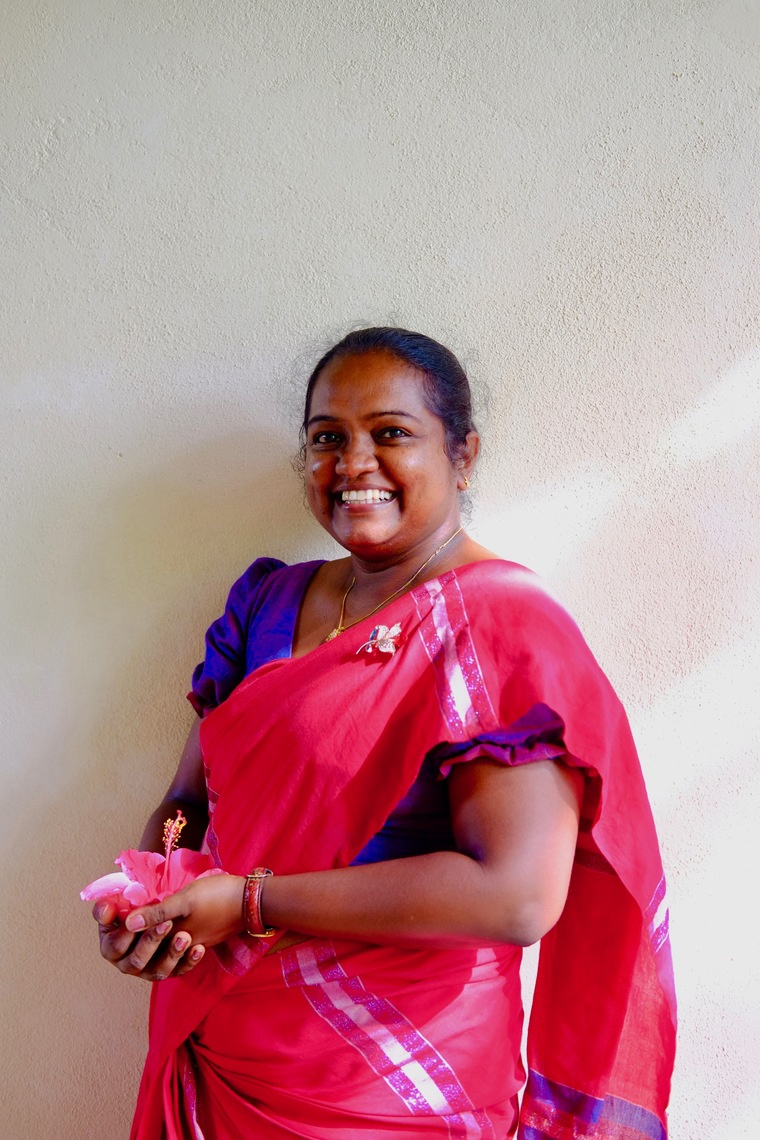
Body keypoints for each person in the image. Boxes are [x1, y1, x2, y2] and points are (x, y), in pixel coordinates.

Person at [93, 328, 676, 1139]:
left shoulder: (501, 627)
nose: (353, 463)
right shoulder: (266, 604)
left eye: (391, 433)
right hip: (221, 1057)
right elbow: (190, 799)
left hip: (392, 1083)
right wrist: (150, 899)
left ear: (463, 453)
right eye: (326, 438)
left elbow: (516, 894)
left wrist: (252, 902)